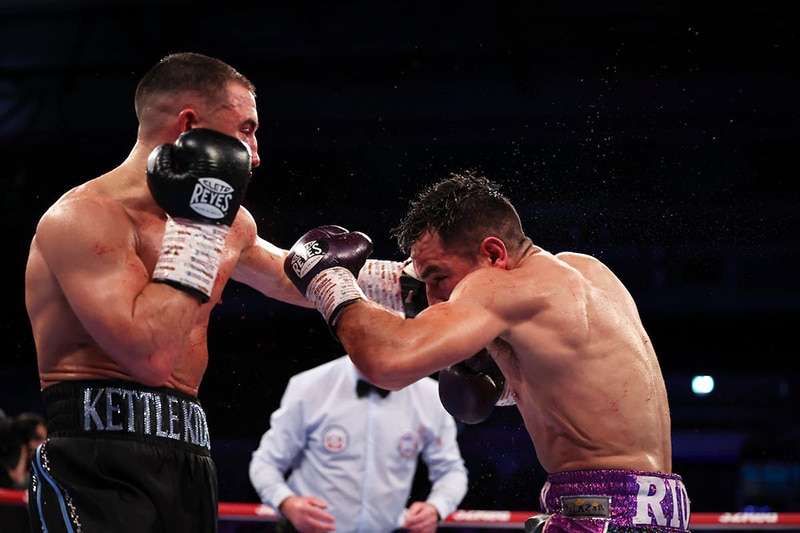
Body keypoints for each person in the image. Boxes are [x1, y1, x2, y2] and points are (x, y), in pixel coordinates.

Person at [23, 52, 419, 533]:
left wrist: (419, 287)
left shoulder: (229, 224)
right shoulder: (83, 218)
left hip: (189, 456)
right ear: (190, 124)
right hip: (96, 458)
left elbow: (298, 275)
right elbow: (148, 357)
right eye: (246, 129)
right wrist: (201, 226)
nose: (255, 154)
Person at [283, 172, 692, 533]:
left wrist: (330, 281)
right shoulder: (584, 273)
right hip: (653, 513)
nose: (433, 297)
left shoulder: (497, 288)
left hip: (600, 515)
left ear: (494, 254)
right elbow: (297, 277)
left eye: (439, 277)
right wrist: (251, 251)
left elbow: (386, 362)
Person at [249, 355, 468, 533]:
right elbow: (265, 463)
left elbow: (452, 471)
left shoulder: (429, 397)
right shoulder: (309, 387)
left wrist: (436, 508)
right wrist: (287, 503)